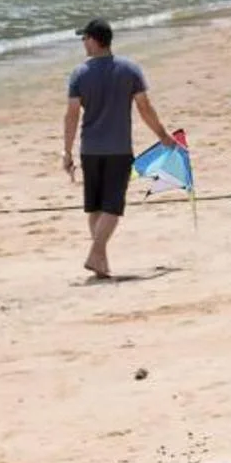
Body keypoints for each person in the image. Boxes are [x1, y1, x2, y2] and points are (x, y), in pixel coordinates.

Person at [63, 18, 173, 281]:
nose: (83, 43)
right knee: (111, 206)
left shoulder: (80, 73)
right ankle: (97, 256)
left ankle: (99, 259)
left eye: (84, 38)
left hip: (91, 148)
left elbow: (72, 115)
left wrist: (67, 150)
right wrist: (162, 134)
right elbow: (144, 107)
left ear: (94, 40)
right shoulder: (130, 70)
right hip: (118, 148)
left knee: (97, 207)